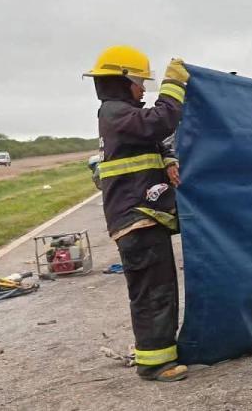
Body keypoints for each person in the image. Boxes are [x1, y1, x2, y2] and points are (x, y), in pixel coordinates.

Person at [83, 45, 190, 382]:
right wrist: (173, 86)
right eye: (141, 81)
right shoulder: (114, 111)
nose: (144, 88)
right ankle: (155, 363)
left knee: (159, 289)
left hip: (142, 218)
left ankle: (160, 354)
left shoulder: (118, 114)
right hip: (136, 220)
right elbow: (159, 122)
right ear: (124, 79)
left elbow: (149, 138)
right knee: (153, 292)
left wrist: (167, 159)